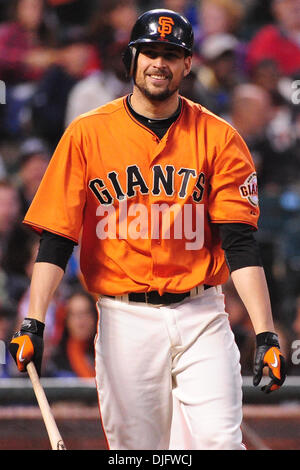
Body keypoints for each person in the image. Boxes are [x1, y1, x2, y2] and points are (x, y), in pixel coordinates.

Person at [9, 9, 286, 451]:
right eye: (151, 52)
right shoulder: (87, 134)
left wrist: (267, 332)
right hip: (125, 318)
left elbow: (240, 245)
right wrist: (34, 321)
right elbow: (57, 238)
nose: (160, 62)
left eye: (171, 54)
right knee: (139, 454)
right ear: (132, 59)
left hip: (202, 315)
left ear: (188, 64)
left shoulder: (219, 138)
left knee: (220, 441)